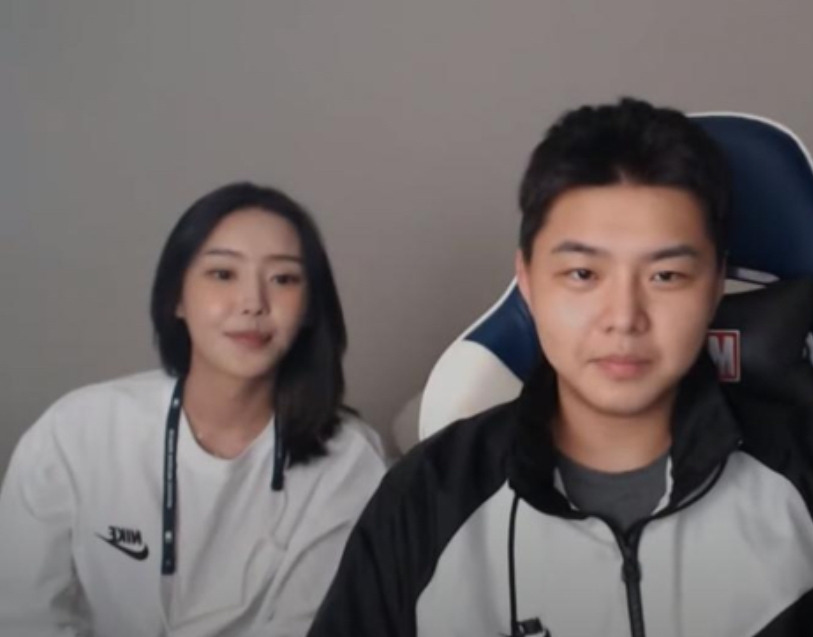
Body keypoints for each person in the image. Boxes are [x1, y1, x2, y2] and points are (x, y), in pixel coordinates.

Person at [308, 99, 813, 636]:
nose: (624, 318)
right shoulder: (425, 500)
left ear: (714, 288)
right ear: (527, 282)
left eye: (665, 276)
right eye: (582, 274)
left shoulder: (799, 478)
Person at [0, 182, 386, 637]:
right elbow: (20, 612)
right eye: (223, 274)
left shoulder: (350, 461)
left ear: (309, 309)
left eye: (283, 279)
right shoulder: (76, 432)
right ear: (177, 298)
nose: (253, 303)